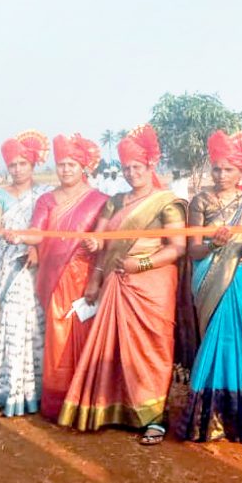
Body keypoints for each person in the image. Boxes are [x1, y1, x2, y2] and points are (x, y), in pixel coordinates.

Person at [59, 125, 186, 446]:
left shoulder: (166, 202)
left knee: (151, 348)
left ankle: (154, 417)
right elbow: (102, 242)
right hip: (117, 281)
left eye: (137, 168)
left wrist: (140, 264)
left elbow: (177, 248)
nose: (131, 174)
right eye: (127, 168)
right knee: (114, 348)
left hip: (153, 285)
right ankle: (116, 410)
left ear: (151, 167)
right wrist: (95, 276)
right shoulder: (115, 202)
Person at [175, 130, 242, 443]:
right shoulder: (199, 202)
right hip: (209, 279)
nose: (222, 174)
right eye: (216, 168)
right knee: (214, 340)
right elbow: (194, 249)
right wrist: (213, 245)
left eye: (229, 169)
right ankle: (208, 421)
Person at [17, 134, 107, 421]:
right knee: (58, 338)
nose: (66, 169)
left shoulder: (100, 200)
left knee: (86, 335)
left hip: (87, 278)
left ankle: (86, 402)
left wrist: (97, 245)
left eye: (72, 164)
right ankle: (58, 402)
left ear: (84, 167)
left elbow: (105, 240)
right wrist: (20, 237)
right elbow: (36, 231)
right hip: (55, 277)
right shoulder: (47, 199)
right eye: (61, 164)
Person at [0, 131, 52, 416]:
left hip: (36, 266)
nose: (17, 169)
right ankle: (10, 392)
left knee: (36, 327)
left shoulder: (44, 196)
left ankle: (35, 393)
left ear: (32, 164)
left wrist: (35, 249)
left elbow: (48, 231)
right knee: (12, 325)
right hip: (8, 266)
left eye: (22, 163)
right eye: (12, 165)